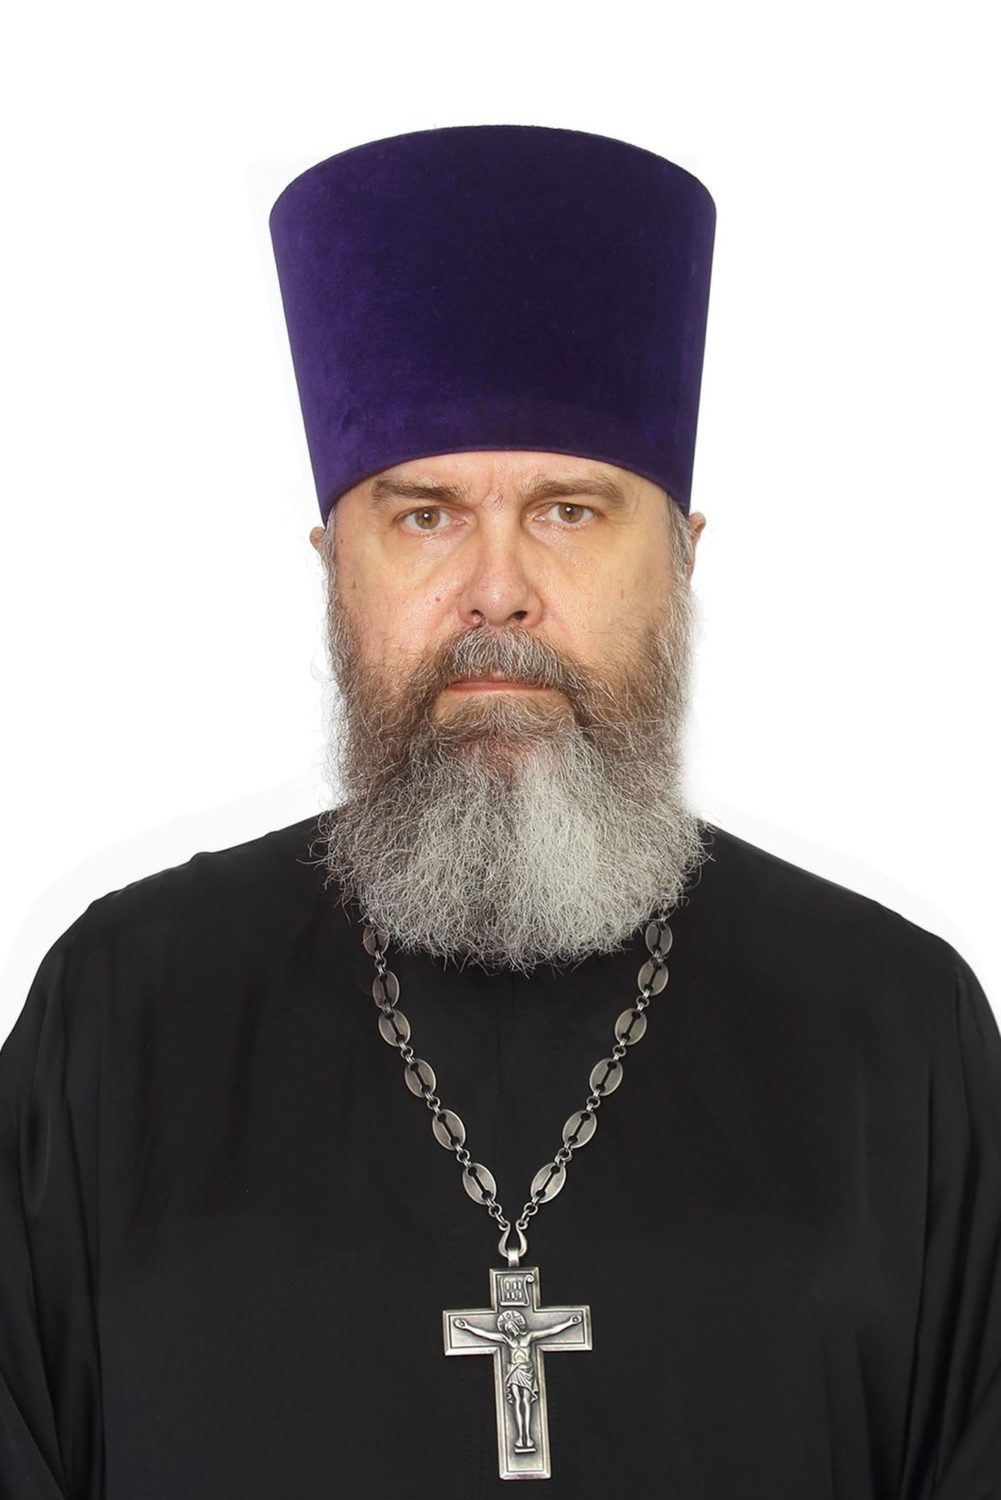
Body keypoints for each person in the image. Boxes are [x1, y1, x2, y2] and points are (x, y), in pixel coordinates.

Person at [1, 125, 998, 1500]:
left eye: (570, 512)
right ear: (333, 568)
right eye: (423, 516)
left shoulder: (895, 1030)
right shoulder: (120, 1019)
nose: (496, 591)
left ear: (682, 561)